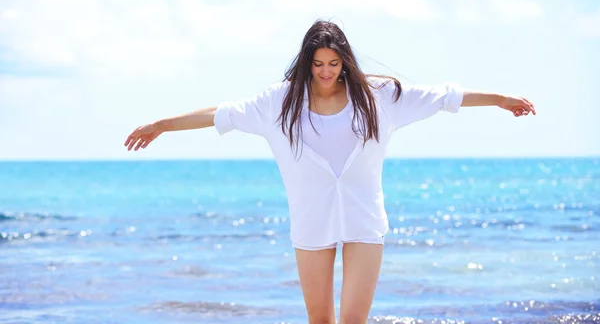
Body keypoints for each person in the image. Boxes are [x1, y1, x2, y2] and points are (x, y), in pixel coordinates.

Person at [124, 19, 535, 324]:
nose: (325, 72)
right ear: (307, 62)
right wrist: (161, 124)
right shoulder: (278, 102)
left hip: (364, 220)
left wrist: (501, 99)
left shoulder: (380, 96)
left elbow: (445, 95)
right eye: (318, 63)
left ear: (344, 61)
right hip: (311, 223)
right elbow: (220, 113)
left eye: (333, 63)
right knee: (320, 321)